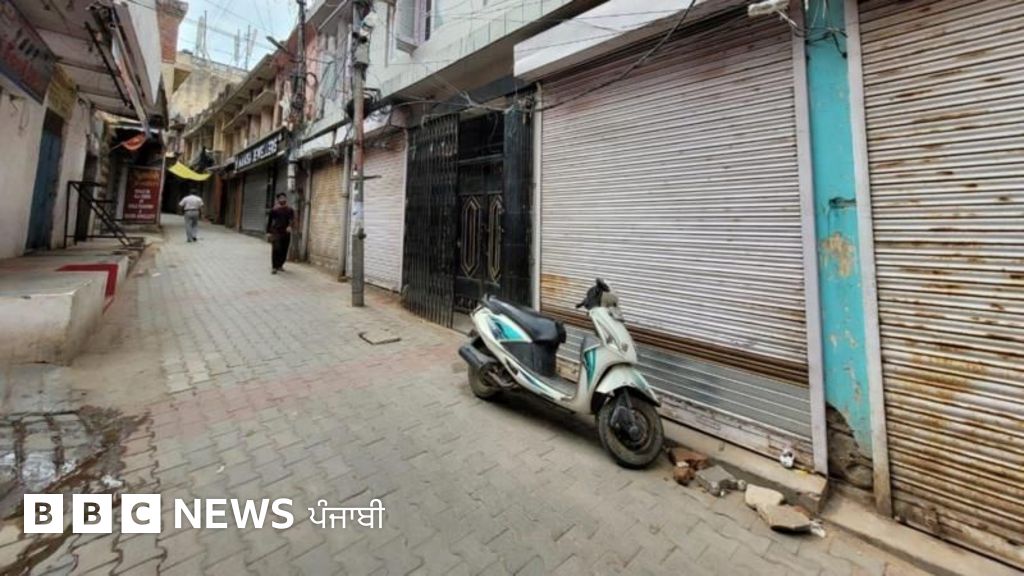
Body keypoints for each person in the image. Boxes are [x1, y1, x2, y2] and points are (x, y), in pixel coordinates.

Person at [267, 193, 295, 274]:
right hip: (276, 232)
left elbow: (292, 219)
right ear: (278, 200)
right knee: (276, 248)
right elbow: (270, 221)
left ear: (286, 199)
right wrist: (268, 232)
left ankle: (280, 265)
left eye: (284, 198)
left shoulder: (290, 209)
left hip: (286, 232)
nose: (282, 199)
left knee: (284, 249)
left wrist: (290, 226)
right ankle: (274, 267)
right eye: (281, 198)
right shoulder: (274, 210)